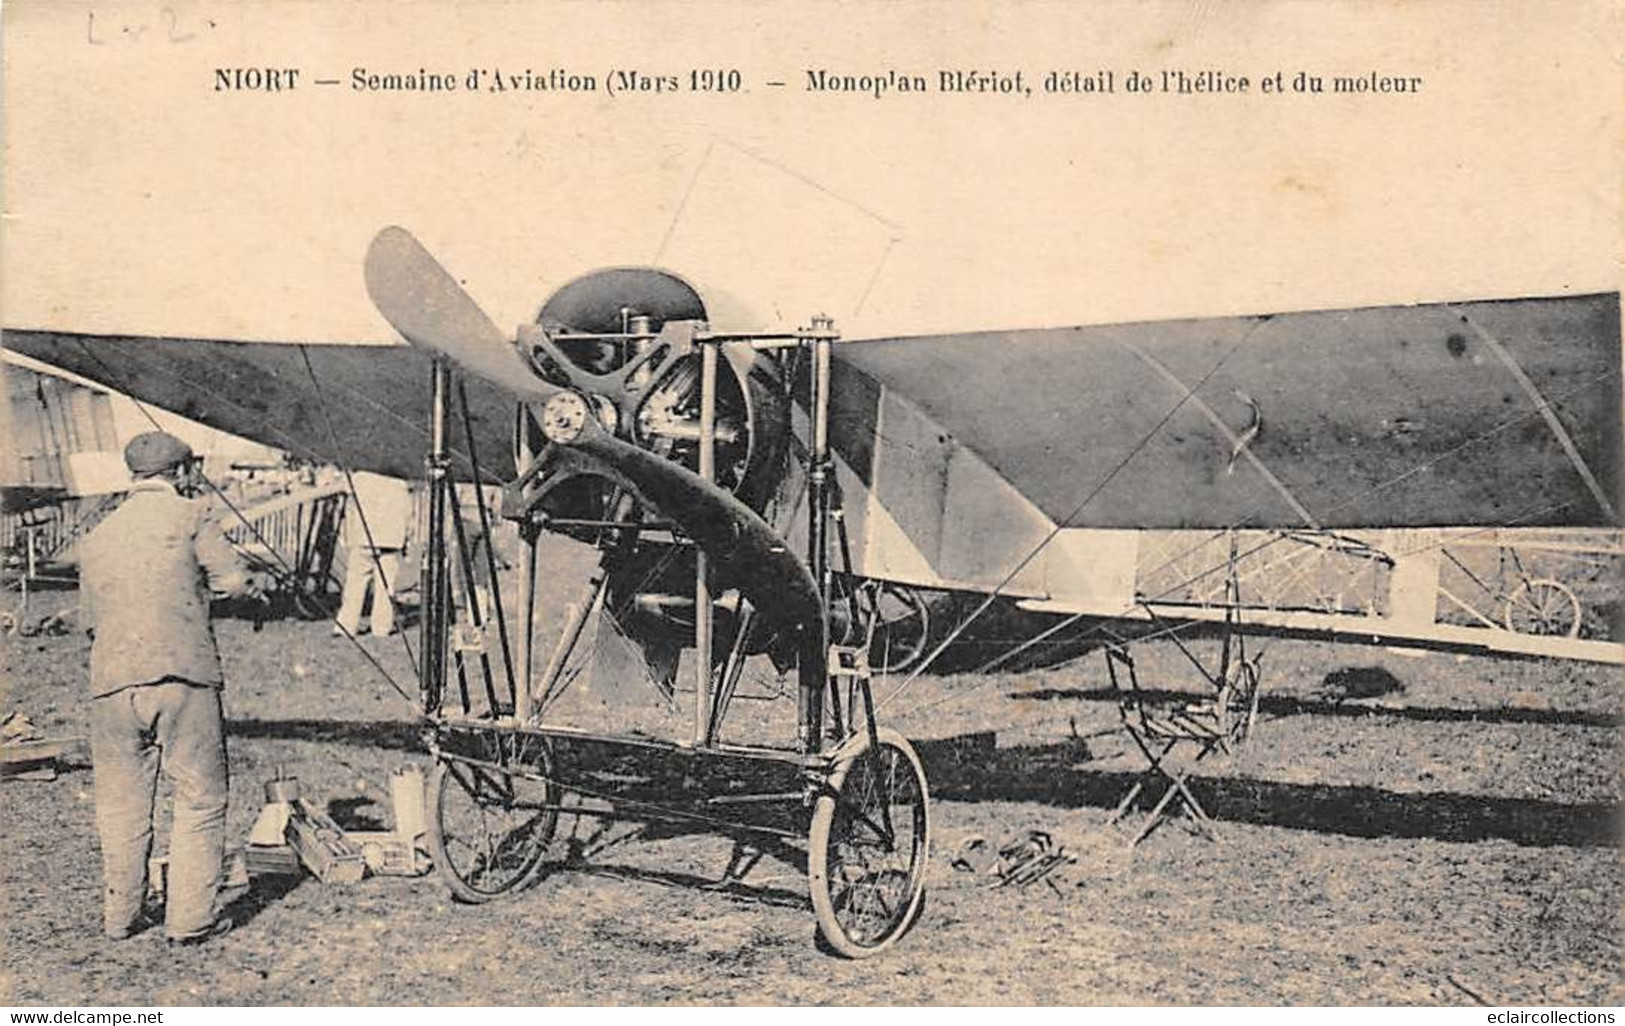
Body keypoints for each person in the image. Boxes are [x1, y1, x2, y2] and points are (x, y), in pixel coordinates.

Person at [78, 431, 267, 945]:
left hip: (112, 682)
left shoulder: (96, 535)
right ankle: (189, 920)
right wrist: (241, 596)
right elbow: (231, 581)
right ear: (182, 473)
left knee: (120, 802)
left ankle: (120, 917)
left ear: (134, 476)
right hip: (183, 673)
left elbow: (90, 621)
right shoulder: (194, 515)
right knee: (200, 795)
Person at [333, 470, 414, 637]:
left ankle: (346, 625)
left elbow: (344, 497)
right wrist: (406, 539)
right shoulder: (399, 483)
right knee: (386, 586)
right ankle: (381, 627)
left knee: (355, 583)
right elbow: (408, 515)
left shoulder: (360, 478)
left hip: (364, 538)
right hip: (390, 539)